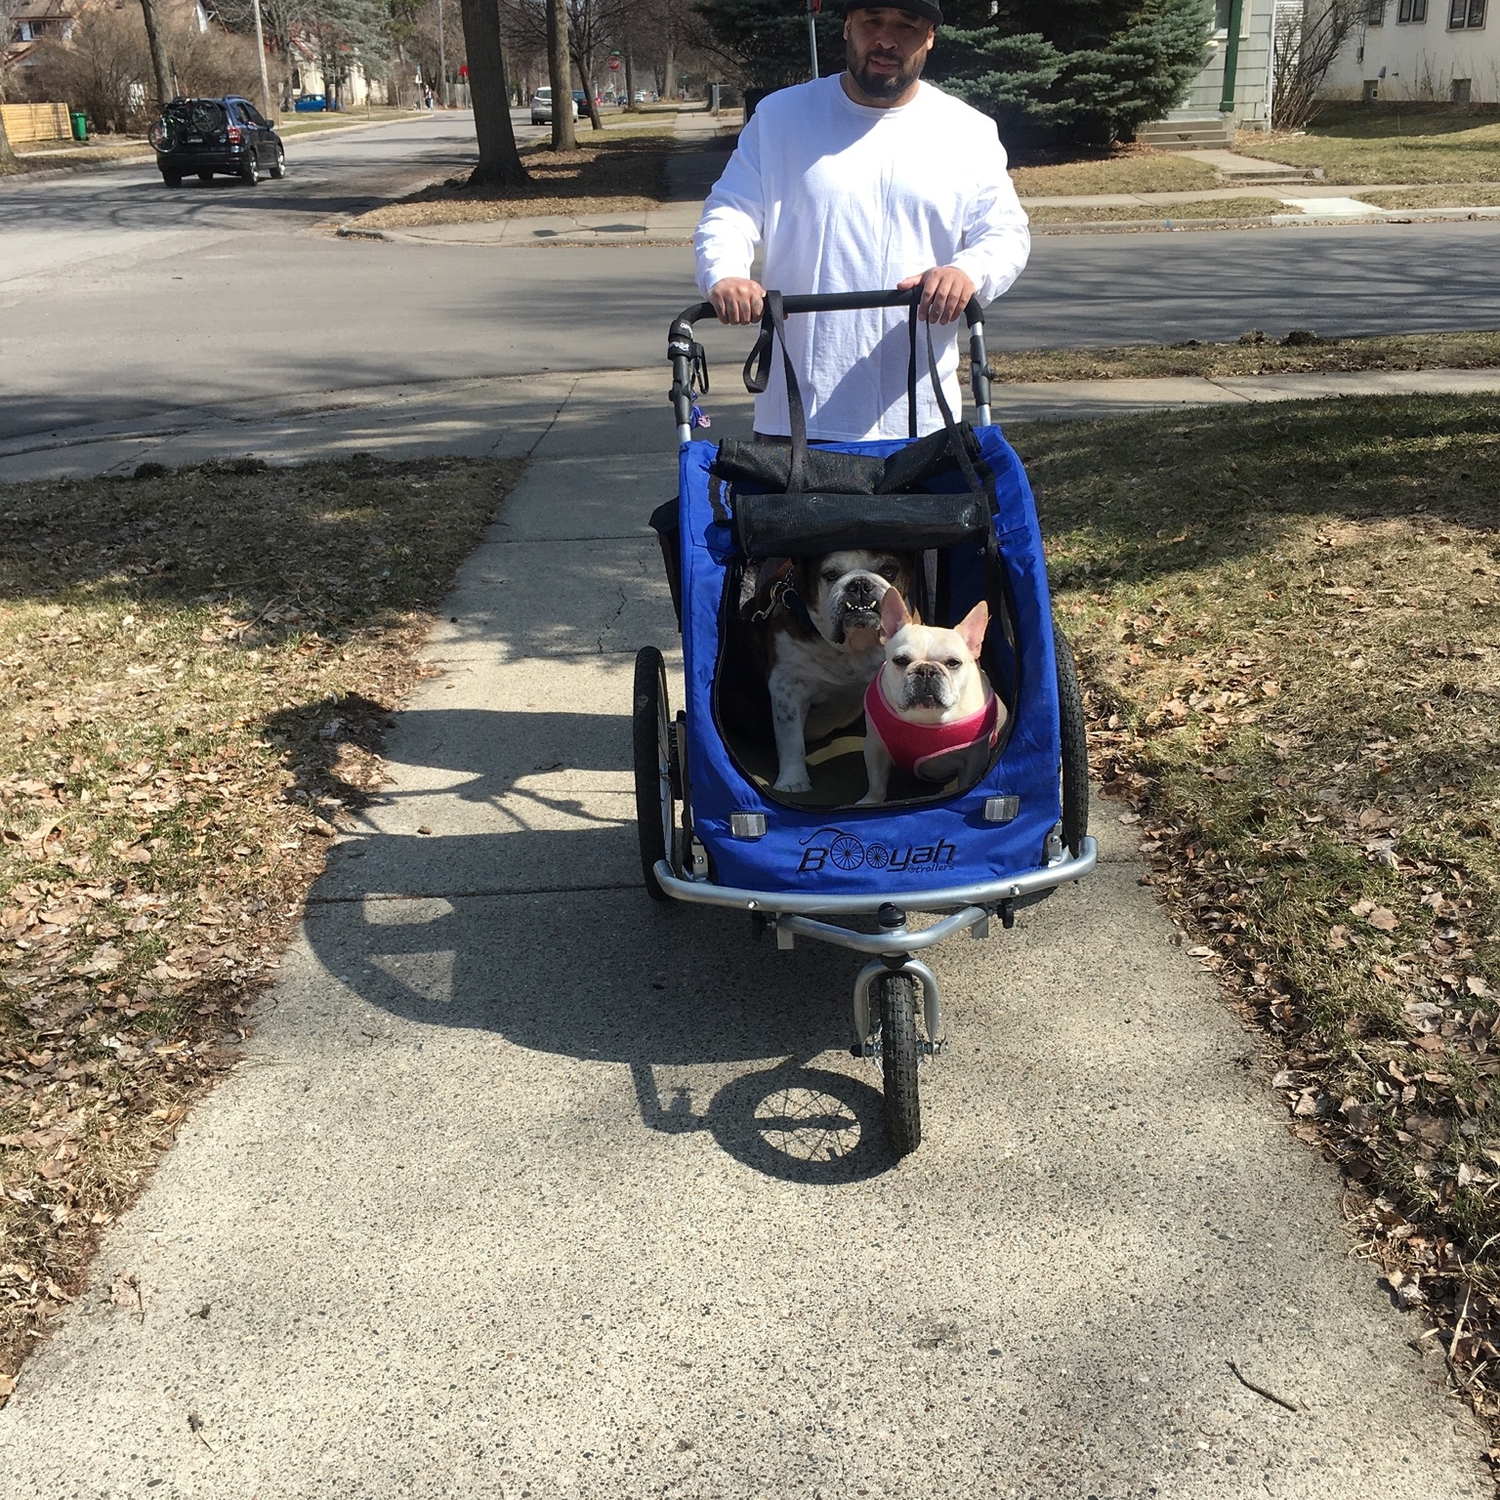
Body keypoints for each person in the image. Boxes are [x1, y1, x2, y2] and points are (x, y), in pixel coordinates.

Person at [693, 1, 1030, 442]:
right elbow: (729, 210)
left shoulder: (967, 131)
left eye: (906, 27)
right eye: (873, 22)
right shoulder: (781, 118)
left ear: (929, 36)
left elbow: (1005, 232)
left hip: (919, 417)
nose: (887, 40)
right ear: (848, 26)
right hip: (794, 418)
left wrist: (966, 272)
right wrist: (725, 273)